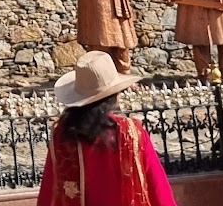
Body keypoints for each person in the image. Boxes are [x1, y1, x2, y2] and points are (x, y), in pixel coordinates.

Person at [37, 50, 176, 206]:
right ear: (113, 96)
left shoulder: (63, 135)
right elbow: (156, 185)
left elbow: (50, 188)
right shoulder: (131, 133)